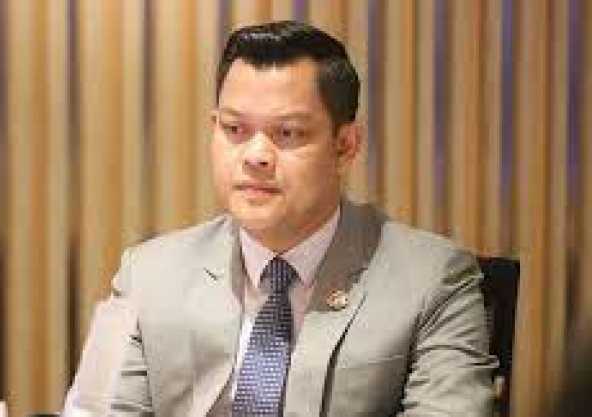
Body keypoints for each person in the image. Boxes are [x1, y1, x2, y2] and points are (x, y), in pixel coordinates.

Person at [63, 20, 496, 416]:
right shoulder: (143, 273)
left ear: (345, 145)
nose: (255, 156)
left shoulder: (435, 278)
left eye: (288, 133)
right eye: (234, 129)